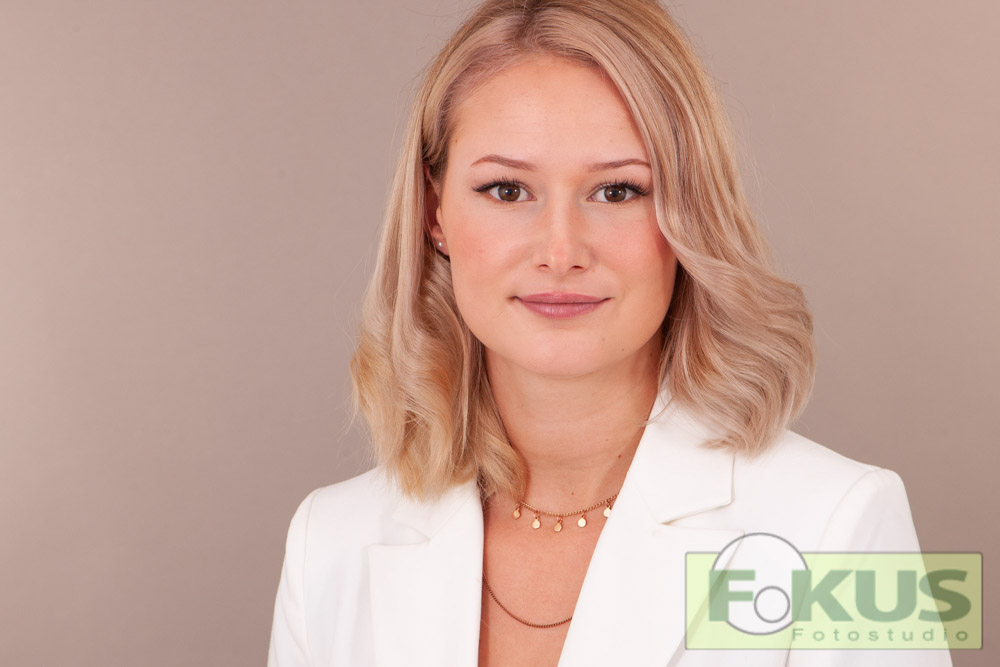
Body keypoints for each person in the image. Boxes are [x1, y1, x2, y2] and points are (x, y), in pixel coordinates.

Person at [267, 1, 953, 665]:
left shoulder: (846, 524)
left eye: (617, 191)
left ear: (689, 213)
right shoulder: (325, 544)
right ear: (433, 213)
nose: (560, 251)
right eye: (507, 190)